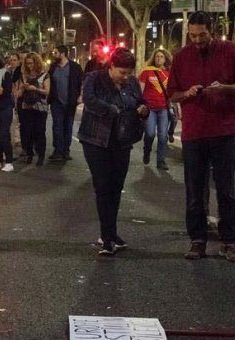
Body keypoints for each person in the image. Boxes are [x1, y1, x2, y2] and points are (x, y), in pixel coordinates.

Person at [168, 11, 235, 262]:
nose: (197, 39)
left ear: (211, 30)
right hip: (194, 133)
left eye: (201, 34)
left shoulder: (231, 50)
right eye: (192, 35)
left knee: (226, 190)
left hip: (224, 130)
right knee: (195, 189)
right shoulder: (181, 57)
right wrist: (187, 93)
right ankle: (197, 239)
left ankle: (229, 240)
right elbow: (172, 94)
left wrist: (223, 88)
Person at [78, 48, 148, 255]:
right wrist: (111, 110)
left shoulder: (132, 83)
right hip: (96, 141)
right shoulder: (94, 78)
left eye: (128, 73)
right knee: (103, 186)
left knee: (116, 188)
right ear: (111, 67)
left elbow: (141, 101)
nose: (125, 77)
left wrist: (144, 109)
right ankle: (106, 237)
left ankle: (111, 232)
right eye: (121, 72)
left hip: (122, 141)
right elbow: (88, 100)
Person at [48, 45, 83, 162]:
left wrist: (80, 96)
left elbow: (81, 82)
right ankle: (57, 150)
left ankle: (66, 150)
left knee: (68, 127)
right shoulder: (53, 67)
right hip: (56, 102)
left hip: (70, 102)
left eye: (56, 52)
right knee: (57, 126)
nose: (54, 55)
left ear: (63, 53)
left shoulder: (75, 67)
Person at [139, 48, 173, 170]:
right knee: (150, 133)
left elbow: (172, 91)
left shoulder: (169, 73)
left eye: (161, 57)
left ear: (165, 59)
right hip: (150, 109)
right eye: (157, 56)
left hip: (163, 108)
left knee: (163, 136)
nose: (159, 58)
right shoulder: (146, 72)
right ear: (153, 58)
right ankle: (146, 151)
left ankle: (161, 161)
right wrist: (140, 104)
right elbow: (140, 90)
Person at [16, 52, 49, 166]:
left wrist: (35, 89)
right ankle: (29, 154)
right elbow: (18, 95)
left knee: (39, 132)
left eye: (31, 63)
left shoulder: (44, 75)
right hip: (26, 107)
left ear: (36, 62)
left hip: (40, 108)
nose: (29, 66)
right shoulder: (24, 76)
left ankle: (41, 155)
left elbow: (47, 91)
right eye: (27, 63)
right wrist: (22, 88)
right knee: (27, 132)